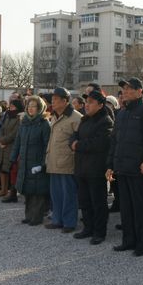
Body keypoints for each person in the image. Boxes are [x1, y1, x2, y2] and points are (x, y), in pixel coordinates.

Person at [107, 77, 143, 257]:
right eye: (124, 89)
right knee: (126, 206)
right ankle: (128, 240)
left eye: (131, 89)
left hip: (139, 168)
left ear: (140, 91)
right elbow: (115, 141)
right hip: (122, 167)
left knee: (140, 207)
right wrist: (110, 165)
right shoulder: (122, 113)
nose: (126, 92)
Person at [72, 90, 113, 245]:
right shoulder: (85, 119)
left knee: (98, 202)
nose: (87, 105)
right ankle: (88, 228)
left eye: (90, 102)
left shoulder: (105, 121)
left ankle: (99, 231)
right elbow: (75, 135)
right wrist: (74, 142)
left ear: (100, 105)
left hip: (96, 168)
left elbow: (100, 143)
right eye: (86, 102)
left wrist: (79, 145)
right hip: (81, 166)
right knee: (84, 200)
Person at [45, 87, 82, 233]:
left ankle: (69, 222)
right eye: (52, 100)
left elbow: (78, 142)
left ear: (65, 101)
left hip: (67, 163)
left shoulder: (76, 118)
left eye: (55, 100)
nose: (52, 102)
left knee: (69, 194)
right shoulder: (54, 116)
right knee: (56, 194)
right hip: (54, 162)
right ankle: (57, 219)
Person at [10, 96, 51, 225]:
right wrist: (12, 158)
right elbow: (17, 142)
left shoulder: (44, 124)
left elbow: (47, 146)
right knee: (27, 190)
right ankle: (28, 215)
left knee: (37, 191)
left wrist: (43, 164)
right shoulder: (24, 123)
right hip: (25, 161)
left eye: (33, 106)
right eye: (29, 106)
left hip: (37, 162)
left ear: (39, 108)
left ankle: (37, 217)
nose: (30, 108)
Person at [0, 99, 23, 202]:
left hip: (12, 145)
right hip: (3, 146)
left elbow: (15, 132)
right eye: (10, 106)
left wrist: (3, 141)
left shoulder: (19, 117)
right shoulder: (7, 115)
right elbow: (2, 128)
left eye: (13, 106)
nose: (10, 108)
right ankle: (3, 189)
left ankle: (12, 192)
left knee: (11, 169)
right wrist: (0, 140)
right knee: (2, 167)